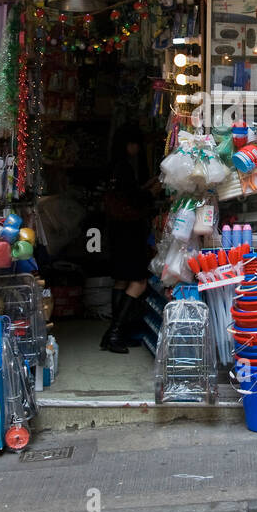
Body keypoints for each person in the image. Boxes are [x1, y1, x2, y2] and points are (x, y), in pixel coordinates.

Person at [100, 122, 158, 354]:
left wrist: (144, 187)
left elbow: (126, 194)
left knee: (122, 280)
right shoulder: (124, 166)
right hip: (130, 229)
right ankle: (115, 333)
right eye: (135, 144)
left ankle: (115, 334)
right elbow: (134, 199)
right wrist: (151, 192)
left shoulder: (113, 165)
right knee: (139, 281)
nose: (137, 149)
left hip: (116, 228)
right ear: (129, 144)